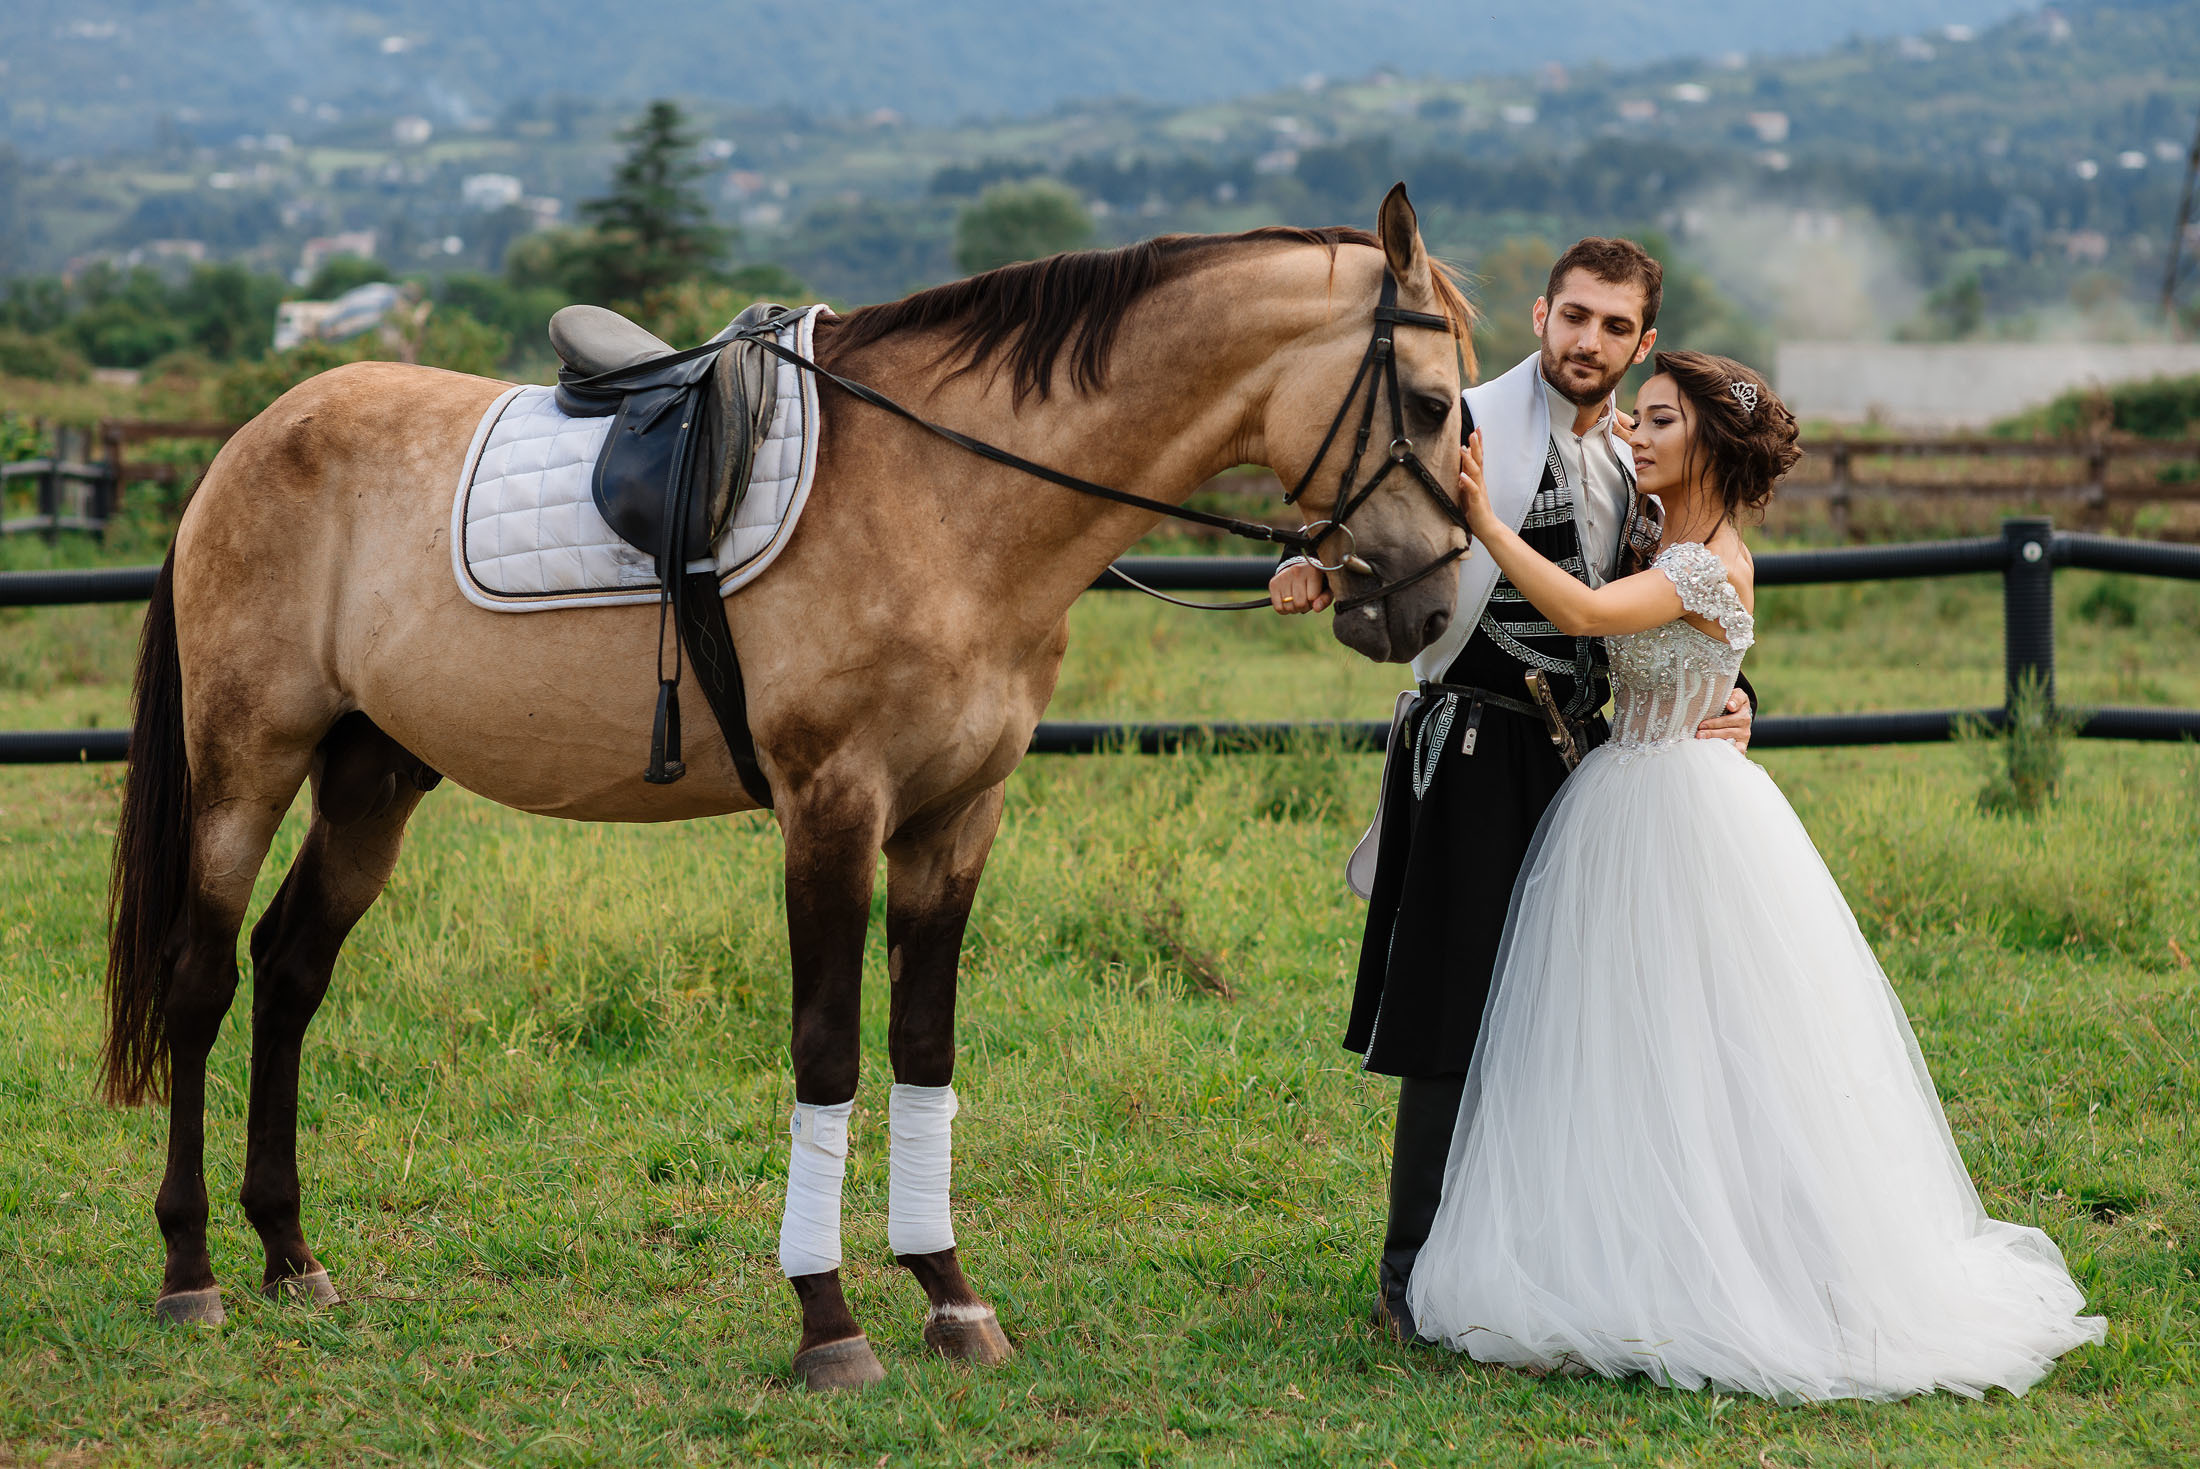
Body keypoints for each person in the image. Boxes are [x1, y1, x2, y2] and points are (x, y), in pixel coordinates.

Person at [1404, 350, 2105, 1400]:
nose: (1637, 436)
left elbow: (1587, 617)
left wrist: (1485, 522)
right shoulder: (1655, 533)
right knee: (1615, 1037)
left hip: (1678, 808)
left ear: (1710, 444)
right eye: (1638, 419)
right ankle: (1623, 1234)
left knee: (1708, 1039)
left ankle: (1745, 1256)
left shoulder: (1707, 564)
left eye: (1660, 422)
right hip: (1617, 795)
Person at [1271, 238, 1753, 1341]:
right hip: (1476, 750)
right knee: (1453, 1011)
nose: (1589, 341)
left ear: (1640, 341)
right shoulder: (1462, 423)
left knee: (1575, 1013)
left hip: (1591, 768)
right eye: (1574, 316)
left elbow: (1680, 603)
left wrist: (1737, 695)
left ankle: (1542, 1248)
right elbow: (1366, 524)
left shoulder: (1641, 459)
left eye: (1615, 326)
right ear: (1541, 315)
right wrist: (1307, 567)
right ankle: (1411, 1274)